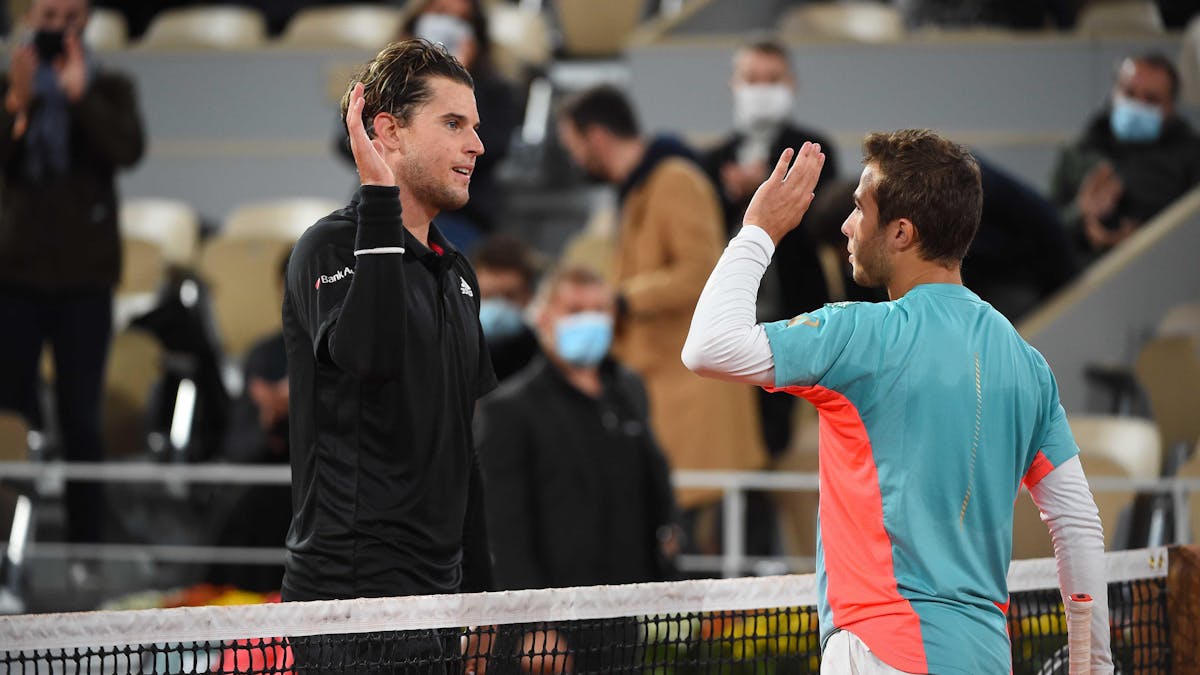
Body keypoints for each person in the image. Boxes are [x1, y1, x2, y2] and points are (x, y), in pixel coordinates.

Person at [682, 132, 1111, 672]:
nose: (847, 224)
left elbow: (707, 347)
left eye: (861, 209)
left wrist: (759, 232)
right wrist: (1092, 665)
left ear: (901, 232)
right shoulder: (1027, 364)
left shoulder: (858, 336)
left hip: (880, 651)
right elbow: (1077, 526)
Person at [282, 39, 494, 672]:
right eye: (454, 124)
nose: (476, 145)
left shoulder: (455, 273)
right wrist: (379, 203)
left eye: (475, 127)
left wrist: (482, 601)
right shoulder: (327, 249)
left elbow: (465, 450)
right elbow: (370, 355)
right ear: (387, 134)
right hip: (347, 608)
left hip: (439, 605)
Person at [556, 85, 767, 554]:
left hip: (689, 390)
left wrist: (623, 300)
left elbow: (702, 270)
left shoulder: (673, 180)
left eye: (573, 144)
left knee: (686, 547)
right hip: (661, 386)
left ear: (596, 137)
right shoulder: (640, 188)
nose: (573, 157)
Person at [477, 265, 680, 673]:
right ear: (544, 317)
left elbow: (653, 477)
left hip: (621, 620)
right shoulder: (507, 411)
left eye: (599, 309)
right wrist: (533, 627)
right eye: (574, 310)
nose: (589, 320)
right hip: (550, 634)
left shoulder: (628, 392)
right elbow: (504, 530)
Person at [0, 0, 144, 549]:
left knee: (81, 418)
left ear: (85, 21)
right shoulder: (9, 83)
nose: (59, 29)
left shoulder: (111, 88)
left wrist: (80, 98)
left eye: (69, 18)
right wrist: (17, 100)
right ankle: (13, 542)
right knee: (13, 414)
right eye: (48, 18)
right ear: (28, 20)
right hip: (15, 274)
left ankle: (87, 549)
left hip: (85, 278)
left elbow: (127, 149)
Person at [702, 39, 835, 462]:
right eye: (752, 79)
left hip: (799, 313)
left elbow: (826, 223)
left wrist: (771, 194)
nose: (761, 89)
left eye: (772, 80)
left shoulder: (813, 149)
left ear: (791, 83)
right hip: (734, 315)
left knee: (794, 443)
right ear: (733, 85)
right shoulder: (712, 161)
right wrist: (732, 195)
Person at [1051, 53, 1200, 260]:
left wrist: (1141, 241)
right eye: (1129, 94)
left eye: (1151, 99)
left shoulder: (1191, 156)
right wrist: (1081, 213)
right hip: (1080, 275)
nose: (1137, 105)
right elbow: (1045, 229)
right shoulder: (1079, 150)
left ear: (1170, 108)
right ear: (1113, 93)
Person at [472, 233, 541, 383]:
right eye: (489, 296)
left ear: (528, 297)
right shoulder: (443, 343)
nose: (498, 307)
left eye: (509, 296)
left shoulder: (539, 355)